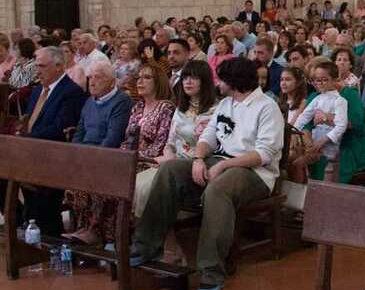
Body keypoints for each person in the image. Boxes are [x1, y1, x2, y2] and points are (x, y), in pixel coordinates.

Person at [129, 57, 284, 290]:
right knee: (169, 170)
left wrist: (223, 165)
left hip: (255, 172)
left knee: (217, 190)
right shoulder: (226, 104)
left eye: (221, 79)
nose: (217, 83)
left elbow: (264, 154)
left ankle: (211, 270)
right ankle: (146, 245)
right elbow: (209, 137)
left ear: (235, 81)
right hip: (218, 162)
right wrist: (199, 160)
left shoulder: (266, 107)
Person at [13, 47, 87, 236]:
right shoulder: (38, 90)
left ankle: (45, 231)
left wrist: (26, 140)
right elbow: (30, 120)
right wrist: (20, 132)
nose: (37, 71)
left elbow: (59, 128)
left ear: (59, 67)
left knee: (41, 197)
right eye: (36, 65)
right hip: (29, 150)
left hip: (53, 154)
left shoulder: (71, 92)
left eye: (42, 66)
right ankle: (22, 218)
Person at [134, 60, 218, 217]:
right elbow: (169, 143)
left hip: (197, 167)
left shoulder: (217, 110)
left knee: (147, 189)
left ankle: (164, 238)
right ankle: (155, 236)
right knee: (136, 185)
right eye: (185, 77)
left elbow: (214, 147)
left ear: (205, 81)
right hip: (172, 163)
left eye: (194, 78)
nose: (188, 81)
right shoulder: (180, 109)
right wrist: (169, 158)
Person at [63, 61, 133, 245]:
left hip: (108, 157)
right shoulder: (89, 101)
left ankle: (95, 232)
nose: (92, 82)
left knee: (92, 179)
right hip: (86, 155)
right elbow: (79, 132)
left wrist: (90, 159)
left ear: (111, 82)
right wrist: (77, 153)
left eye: (98, 77)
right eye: (90, 77)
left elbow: (112, 138)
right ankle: (83, 228)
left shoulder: (121, 101)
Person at [293, 61, 348, 183]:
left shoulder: (340, 101)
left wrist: (322, 141)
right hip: (314, 144)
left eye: (325, 79)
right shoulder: (318, 98)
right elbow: (303, 117)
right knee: (291, 155)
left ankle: (305, 194)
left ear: (334, 80)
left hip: (328, 147)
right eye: (318, 80)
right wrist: (294, 132)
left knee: (297, 163)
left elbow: (341, 125)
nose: (320, 83)